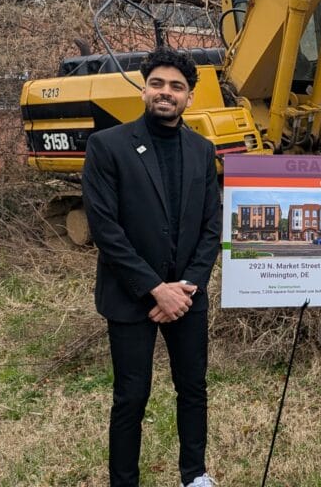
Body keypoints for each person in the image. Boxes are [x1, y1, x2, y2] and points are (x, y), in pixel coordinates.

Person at [83, 47, 222, 487]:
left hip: (187, 296)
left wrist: (186, 287)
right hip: (130, 297)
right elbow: (106, 229)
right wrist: (153, 288)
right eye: (158, 84)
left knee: (193, 390)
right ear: (144, 89)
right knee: (130, 397)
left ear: (189, 98)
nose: (167, 93)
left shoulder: (202, 150)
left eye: (177, 87)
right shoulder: (107, 146)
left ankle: (194, 475)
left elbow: (210, 228)